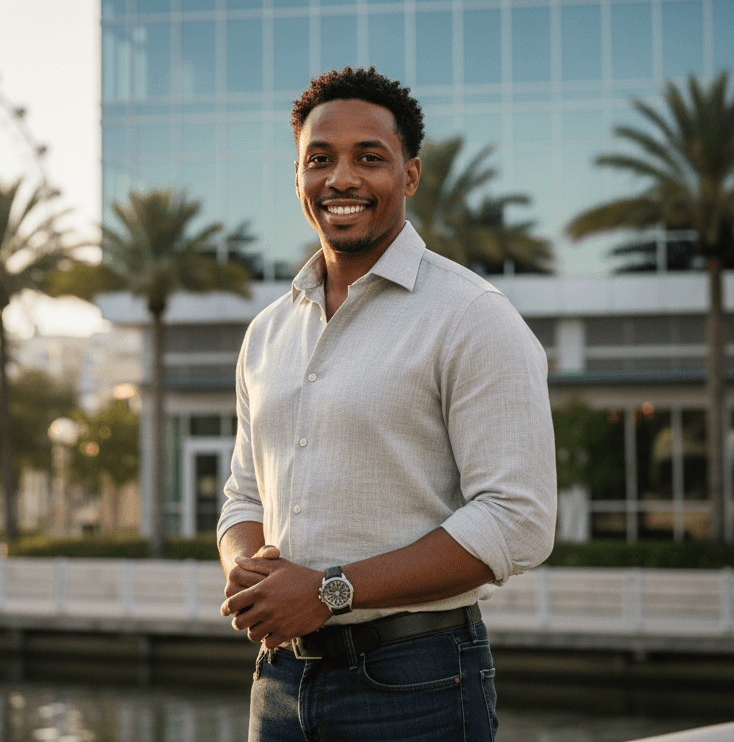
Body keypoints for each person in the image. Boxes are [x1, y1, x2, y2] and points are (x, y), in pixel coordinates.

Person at [216, 66, 557, 741]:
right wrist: (248, 572)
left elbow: (518, 521)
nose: (341, 179)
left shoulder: (471, 316)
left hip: (418, 681)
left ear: (409, 176)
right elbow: (243, 497)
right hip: (280, 681)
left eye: (369, 158)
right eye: (320, 159)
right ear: (298, 177)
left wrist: (325, 591)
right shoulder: (267, 332)